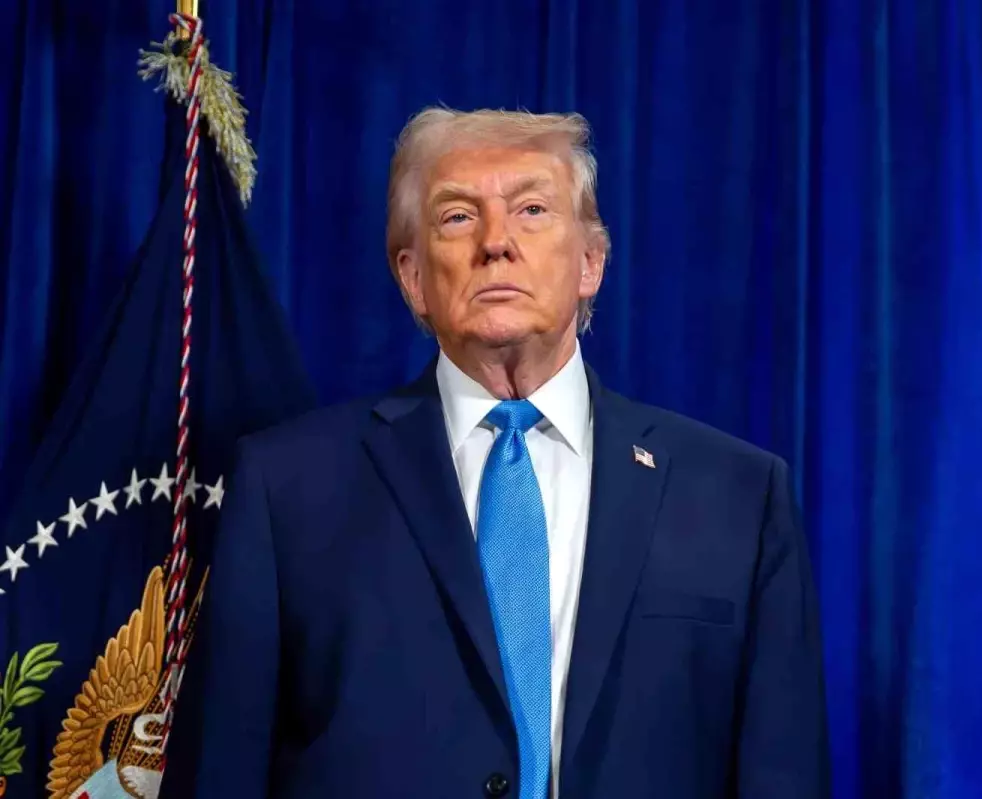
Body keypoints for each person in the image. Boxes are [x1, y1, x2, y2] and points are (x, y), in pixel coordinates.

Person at [178, 107, 829, 798]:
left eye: (532, 210)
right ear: (412, 277)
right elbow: (220, 772)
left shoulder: (737, 497)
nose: (496, 243)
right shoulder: (288, 489)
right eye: (458, 216)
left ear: (591, 262)